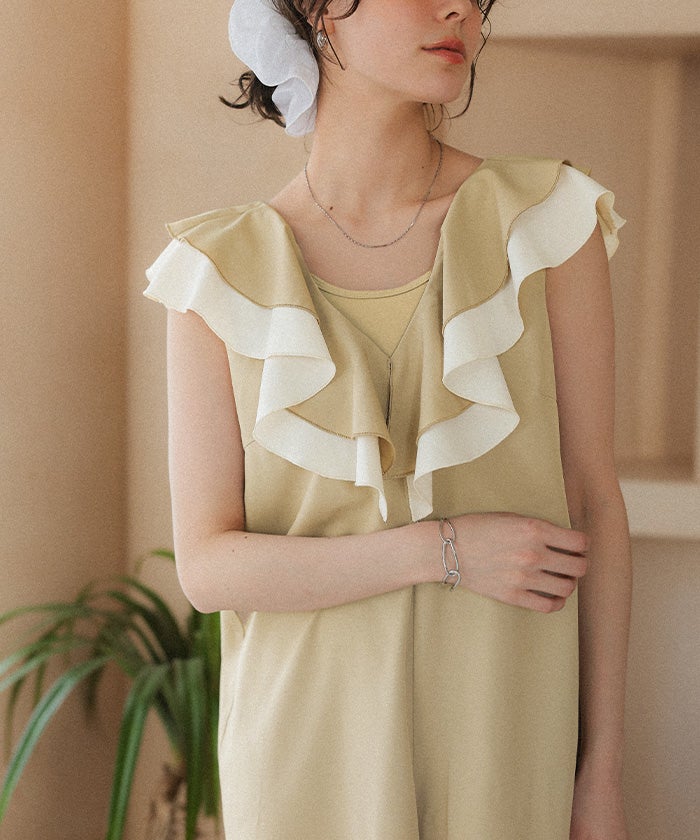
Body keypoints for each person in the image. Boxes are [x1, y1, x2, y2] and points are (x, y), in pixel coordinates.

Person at [145, 0, 632, 838]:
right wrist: (442, 552)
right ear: (316, 13)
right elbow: (209, 568)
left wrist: (603, 776)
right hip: (305, 755)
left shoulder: (547, 224)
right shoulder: (215, 275)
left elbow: (594, 501)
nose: (458, 10)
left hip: (506, 737)